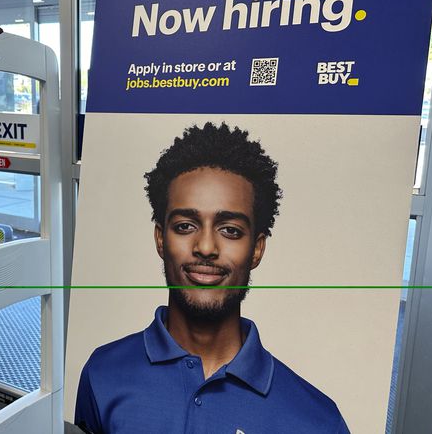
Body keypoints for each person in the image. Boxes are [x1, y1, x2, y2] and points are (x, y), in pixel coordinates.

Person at [74, 123, 349, 433]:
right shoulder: (103, 374)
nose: (205, 247)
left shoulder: (317, 421)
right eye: (185, 226)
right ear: (160, 239)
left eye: (230, 230)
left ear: (256, 250)